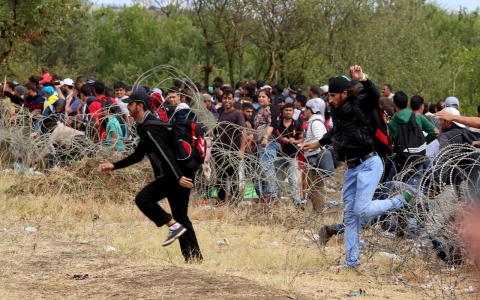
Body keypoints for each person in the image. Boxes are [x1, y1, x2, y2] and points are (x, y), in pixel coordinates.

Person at [301, 66, 413, 268]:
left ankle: (399, 200)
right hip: (352, 168)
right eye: (329, 96)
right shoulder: (336, 110)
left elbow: (374, 94)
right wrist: (319, 142)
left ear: (344, 93)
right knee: (351, 216)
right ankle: (351, 261)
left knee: (361, 209)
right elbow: (337, 130)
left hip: (369, 163)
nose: (330, 99)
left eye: (333, 95)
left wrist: (363, 79)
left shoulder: (360, 103)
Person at [98, 91, 202, 263]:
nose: (128, 107)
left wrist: (177, 177)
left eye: (131, 104)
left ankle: (172, 226)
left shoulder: (149, 128)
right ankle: (193, 259)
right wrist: (114, 166)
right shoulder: (147, 125)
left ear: (140, 105)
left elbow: (165, 153)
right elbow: (139, 155)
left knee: (143, 199)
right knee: (182, 216)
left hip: (175, 175)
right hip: (182, 173)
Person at [213, 89, 247, 203]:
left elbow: (244, 132)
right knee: (221, 179)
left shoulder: (237, 114)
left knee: (233, 179)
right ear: (222, 100)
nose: (227, 100)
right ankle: (220, 203)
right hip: (221, 151)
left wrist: (241, 150)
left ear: (233, 100)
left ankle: (234, 204)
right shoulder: (222, 113)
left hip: (233, 151)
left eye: (229, 98)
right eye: (225, 98)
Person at [253, 89, 280, 203]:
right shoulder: (261, 110)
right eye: (259, 96)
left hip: (267, 143)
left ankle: (272, 194)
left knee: (267, 167)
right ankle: (264, 195)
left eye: (264, 96)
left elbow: (272, 124)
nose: (261, 98)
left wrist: (265, 138)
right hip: (260, 143)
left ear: (269, 98)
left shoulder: (270, 108)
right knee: (263, 169)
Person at [275, 102, 303, 206]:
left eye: (290, 110)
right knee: (279, 180)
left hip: (292, 156)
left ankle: (297, 203)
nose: (288, 112)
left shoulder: (296, 124)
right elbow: (273, 137)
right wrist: (282, 140)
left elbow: (301, 138)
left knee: (294, 180)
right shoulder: (277, 123)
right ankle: (277, 202)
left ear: (293, 112)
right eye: (286, 110)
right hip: (279, 156)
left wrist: (294, 141)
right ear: (283, 111)